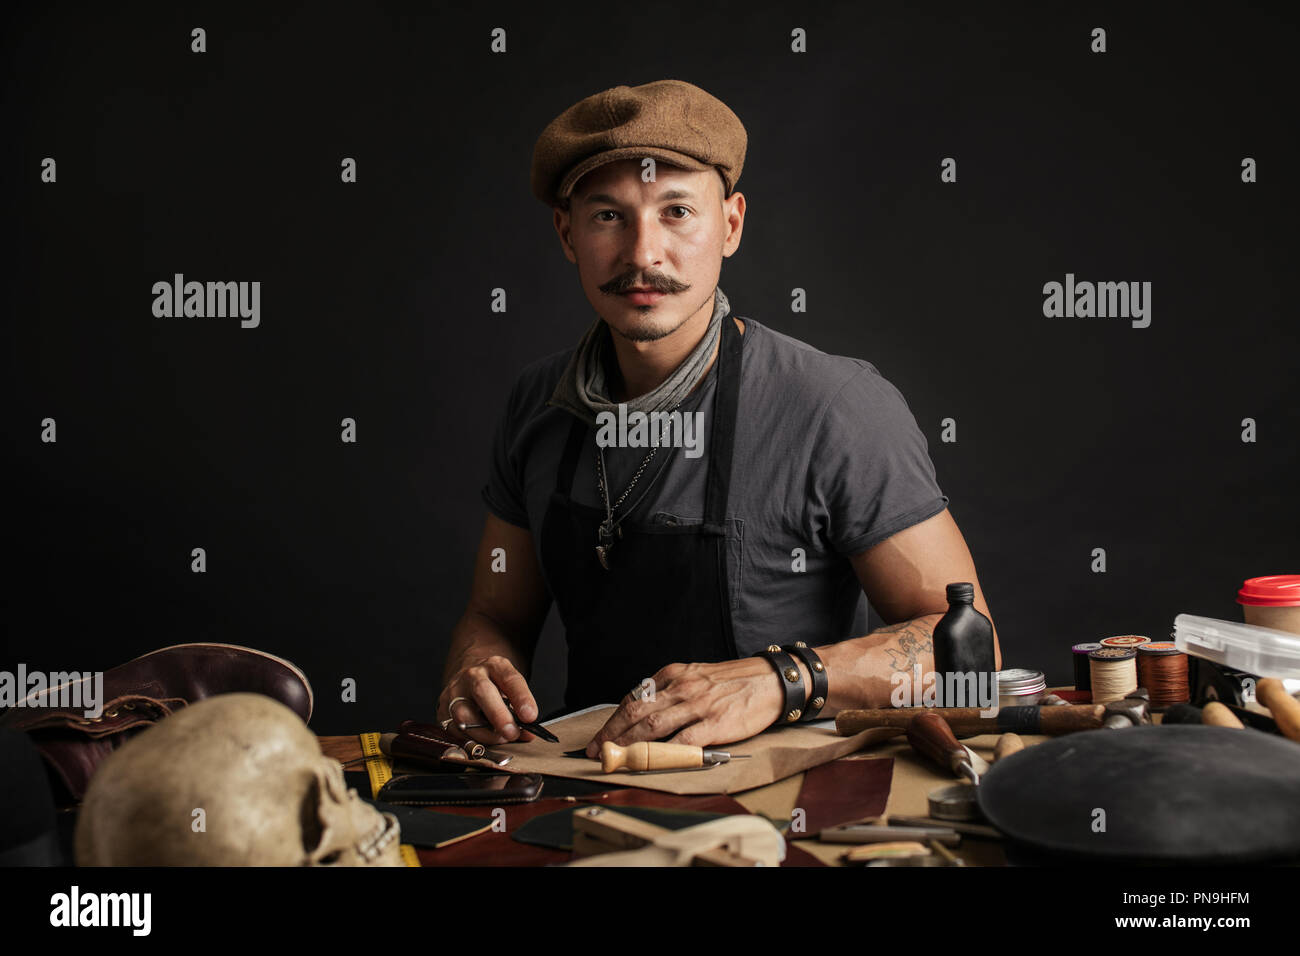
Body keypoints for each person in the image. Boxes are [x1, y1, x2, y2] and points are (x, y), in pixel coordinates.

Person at [438, 79, 1000, 759]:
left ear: (730, 225)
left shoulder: (834, 406)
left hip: (779, 809)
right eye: (608, 216)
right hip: (588, 792)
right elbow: (496, 614)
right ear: (567, 233)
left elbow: (970, 654)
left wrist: (783, 678)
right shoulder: (537, 404)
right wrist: (476, 671)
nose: (643, 254)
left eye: (676, 211)